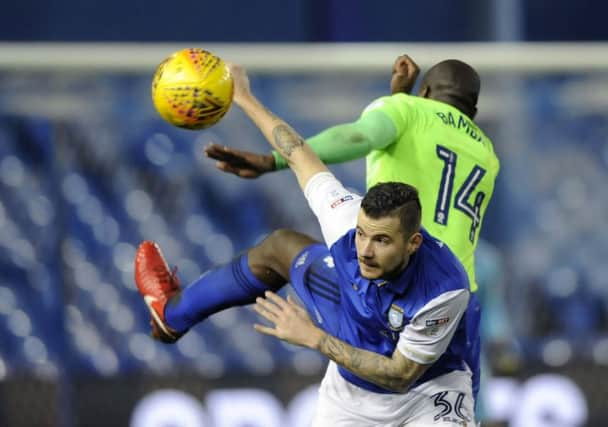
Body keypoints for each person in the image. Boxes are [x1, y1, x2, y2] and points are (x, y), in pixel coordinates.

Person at [135, 62, 480, 426]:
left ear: (414, 242)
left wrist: (314, 338)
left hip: (429, 364)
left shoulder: (444, 286)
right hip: (365, 339)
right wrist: (246, 99)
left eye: (378, 239)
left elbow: (399, 374)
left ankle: (174, 314)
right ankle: (170, 316)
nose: (363, 249)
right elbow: (300, 153)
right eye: (362, 235)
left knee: (416, 366)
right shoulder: (483, 153)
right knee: (283, 246)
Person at [204, 55, 500, 293]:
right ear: (472, 113)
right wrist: (401, 98)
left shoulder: (408, 110)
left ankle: (174, 314)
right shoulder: (487, 153)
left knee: (279, 248)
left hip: (391, 276)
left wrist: (274, 160)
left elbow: (359, 138)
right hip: (453, 294)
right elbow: (429, 163)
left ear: (424, 91)